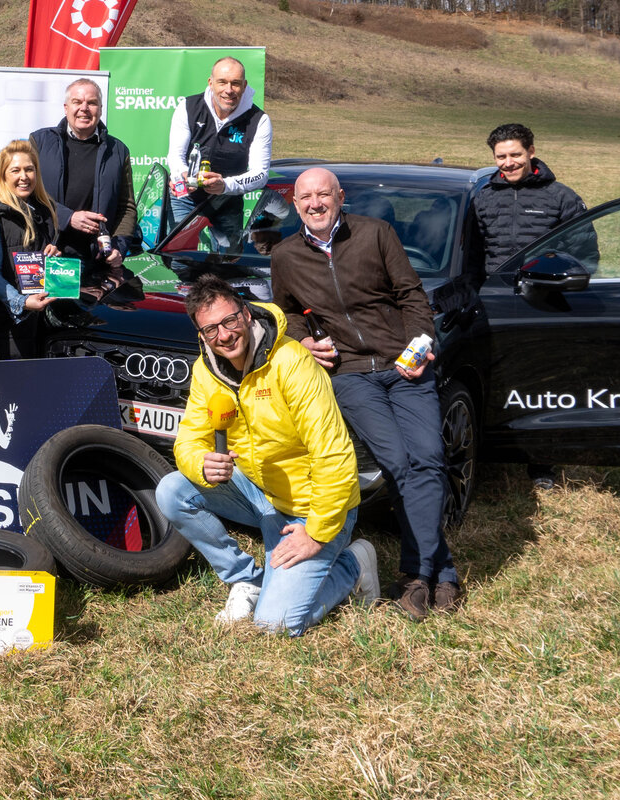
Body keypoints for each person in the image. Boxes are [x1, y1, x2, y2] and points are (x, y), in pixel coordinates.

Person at [270, 167, 461, 621]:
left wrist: (419, 344)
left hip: (403, 366)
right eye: (305, 197)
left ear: (340, 197)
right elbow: (287, 312)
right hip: (350, 372)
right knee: (398, 462)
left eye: (324, 195)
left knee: (428, 459)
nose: (315, 203)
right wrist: (302, 340)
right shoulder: (285, 255)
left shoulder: (377, 234)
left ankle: (421, 572)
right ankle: (438, 572)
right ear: (295, 205)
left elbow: (412, 295)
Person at [156, 275, 380, 635]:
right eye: (211, 330)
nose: (224, 336)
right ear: (201, 336)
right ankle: (246, 579)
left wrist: (318, 533)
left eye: (229, 321)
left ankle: (354, 564)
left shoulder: (291, 362)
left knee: (276, 624)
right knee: (172, 490)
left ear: (246, 314)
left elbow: (334, 454)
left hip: (311, 506)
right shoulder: (206, 370)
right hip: (261, 492)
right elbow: (186, 442)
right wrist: (201, 463)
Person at [471, 122, 588, 490]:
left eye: (515, 155)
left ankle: (541, 465)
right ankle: (492, 450)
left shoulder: (561, 197)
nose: (508, 163)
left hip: (544, 302)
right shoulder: (482, 197)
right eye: (501, 157)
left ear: (532, 152)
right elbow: (472, 254)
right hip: (496, 303)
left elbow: (585, 252)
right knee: (498, 379)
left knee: (542, 383)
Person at [166, 57, 273, 252]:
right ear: (211, 83)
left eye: (235, 83)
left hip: (228, 200)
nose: (228, 90)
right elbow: (175, 156)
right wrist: (183, 176)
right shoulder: (188, 107)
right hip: (186, 198)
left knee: (228, 261)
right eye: (222, 82)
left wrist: (224, 185)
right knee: (179, 257)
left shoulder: (259, 120)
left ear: (245, 85)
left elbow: (261, 174)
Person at [29, 77, 137, 265]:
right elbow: (26, 195)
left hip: (96, 261)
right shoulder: (39, 142)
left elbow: (126, 207)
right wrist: (68, 217)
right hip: (48, 254)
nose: (84, 108)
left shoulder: (118, 151)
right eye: (77, 102)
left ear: (101, 109)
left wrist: (118, 247)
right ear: (66, 108)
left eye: (92, 103)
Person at [0, 140, 60, 360]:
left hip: (40, 322)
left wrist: (53, 257)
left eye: (29, 169)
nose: (23, 176)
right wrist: (22, 303)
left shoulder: (44, 207)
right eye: (15, 170)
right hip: (5, 325)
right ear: (3, 175)